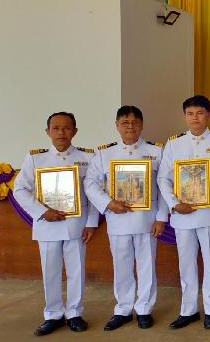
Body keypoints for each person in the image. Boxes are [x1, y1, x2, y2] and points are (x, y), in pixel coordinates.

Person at [13, 111, 99, 336]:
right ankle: (52, 314)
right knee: (50, 271)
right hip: (48, 225)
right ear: (48, 131)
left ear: (75, 131)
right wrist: (43, 212)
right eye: (56, 128)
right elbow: (20, 189)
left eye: (67, 128)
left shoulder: (88, 157)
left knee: (76, 270)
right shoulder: (35, 158)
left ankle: (74, 313)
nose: (61, 132)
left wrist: (91, 222)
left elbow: (93, 193)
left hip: (76, 224)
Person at [84, 106, 167, 331]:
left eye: (135, 122)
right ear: (117, 126)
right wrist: (108, 203)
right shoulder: (105, 154)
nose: (130, 126)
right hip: (117, 219)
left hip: (147, 220)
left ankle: (144, 309)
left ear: (142, 124)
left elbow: (164, 187)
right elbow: (90, 183)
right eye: (125, 122)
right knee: (121, 265)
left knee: (146, 265)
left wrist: (161, 217)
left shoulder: (156, 151)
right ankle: (123, 309)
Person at [157, 95, 210, 329]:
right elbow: (163, 178)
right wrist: (173, 204)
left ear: (208, 115)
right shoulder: (174, 144)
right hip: (182, 215)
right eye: (190, 114)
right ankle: (188, 310)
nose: (195, 118)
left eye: (199, 113)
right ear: (184, 116)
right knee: (186, 264)